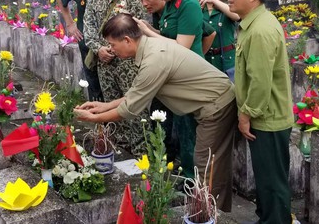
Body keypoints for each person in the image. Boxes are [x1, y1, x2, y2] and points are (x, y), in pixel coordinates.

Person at [74, 13, 237, 212]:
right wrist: (102, 107)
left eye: (113, 44)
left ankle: (209, 215)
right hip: (212, 104)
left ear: (127, 40)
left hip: (217, 106)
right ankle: (214, 212)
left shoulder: (154, 60)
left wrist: (94, 118)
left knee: (206, 169)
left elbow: (129, 109)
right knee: (211, 166)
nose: (111, 49)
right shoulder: (149, 49)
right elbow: (136, 93)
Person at [229, 0, 294, 223]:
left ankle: (275, 219)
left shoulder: (260, 30)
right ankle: (266, 217)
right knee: (266, 178)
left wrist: (246, 115)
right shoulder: (253, 24)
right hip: (265, 116)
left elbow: (260, 82)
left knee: (272, 182)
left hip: (267, 118)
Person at [138, 0, 205, 179]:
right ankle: (185, 175)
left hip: (187, 78)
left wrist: (148, 33)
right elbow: (167, 36)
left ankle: (191, 181)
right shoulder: (170, 5)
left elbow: (181, 47)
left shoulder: (189, 5)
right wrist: (151, 29)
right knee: (179, 130)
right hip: (173, 76)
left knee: (188, 134)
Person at [83, 0, 147, 152]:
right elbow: (89, 28)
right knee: (111, 104)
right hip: (105, 62)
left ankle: (140, 151)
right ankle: (120, 149)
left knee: (135, 106)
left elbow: (141, 28)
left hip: (129, 63)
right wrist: (99, 48)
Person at [58, 0, 103, 102]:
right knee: (93, 83)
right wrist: (70, 24)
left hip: (109, 42)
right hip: (87, 42)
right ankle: (100, 122)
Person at [196, 0, 240, 80]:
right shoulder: (198, 11)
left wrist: (213, 1)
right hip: (205, 63)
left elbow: (237, 16)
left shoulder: (226, 9)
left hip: (228, 63)